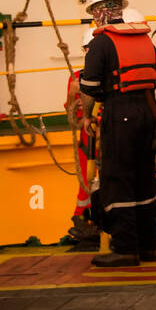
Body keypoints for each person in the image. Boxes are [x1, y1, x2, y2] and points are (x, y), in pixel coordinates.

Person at [78, 0, 156, 269]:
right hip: (147, 112)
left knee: (118, 181)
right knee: (144, 179)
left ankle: (125, 248)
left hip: (120, 114)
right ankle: (147, 247)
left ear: (99, 12)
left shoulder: (101, 43)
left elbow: (89, 88)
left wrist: (87, 116)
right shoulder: (144, 39)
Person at [63, 28, 101, 248]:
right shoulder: (76, 78)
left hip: (104, 136)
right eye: (87, 49)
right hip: (86, 139)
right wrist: (72, 94)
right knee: (85, 182)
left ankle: (97, 219)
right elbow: (69, 112)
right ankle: (83, 218)